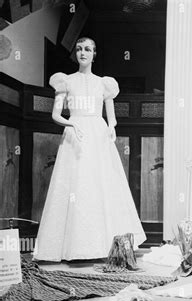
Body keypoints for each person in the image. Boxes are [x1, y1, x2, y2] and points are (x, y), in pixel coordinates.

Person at [33, 37, 146, 261]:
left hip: (98, 134)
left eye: (88, 49)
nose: (83, 53)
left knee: (101, 184)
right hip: (75, 134)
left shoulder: (104, 84)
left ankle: (105, 245)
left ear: (94, 54)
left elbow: (111, 117)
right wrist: (71, 122)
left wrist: (112, 127)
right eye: (79, 49)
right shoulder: (65, 81)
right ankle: (73, 247)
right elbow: (56, 114)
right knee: (76, 184)